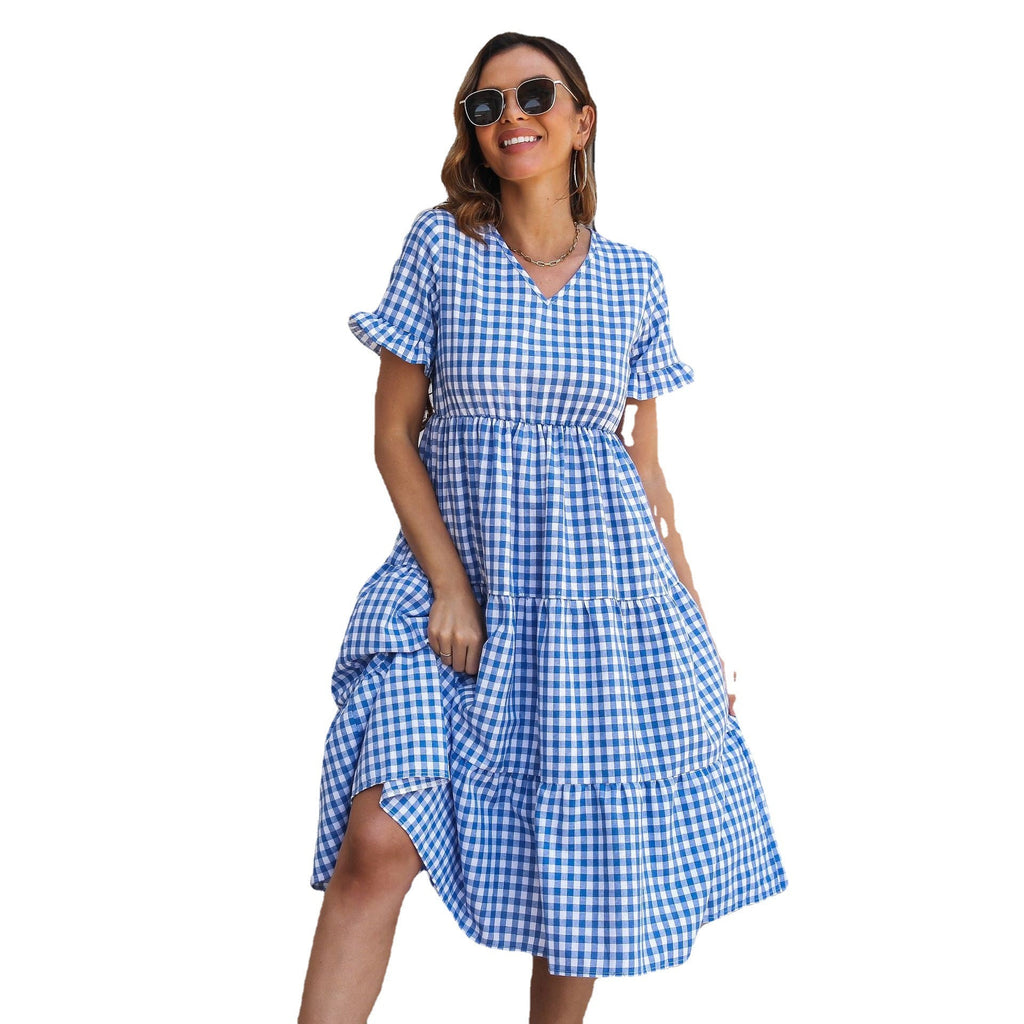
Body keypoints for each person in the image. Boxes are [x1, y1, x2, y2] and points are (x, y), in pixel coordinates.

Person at [297, 31, 788, 1024]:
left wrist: (697, 626)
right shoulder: (440, 248)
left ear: (581, 120)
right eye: (486, 105)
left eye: (534, 95)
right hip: (452, 581)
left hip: (594, 601)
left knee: (581, 859)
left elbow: (646, 474)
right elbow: (392, 435)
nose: (510, 116)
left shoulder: (635, 279)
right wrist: (448, 585)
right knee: (377, 840)